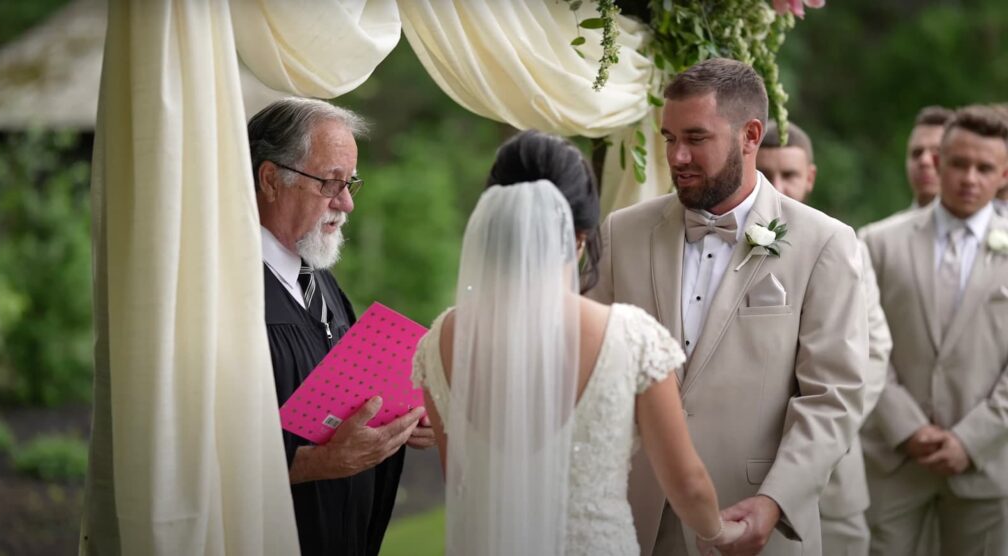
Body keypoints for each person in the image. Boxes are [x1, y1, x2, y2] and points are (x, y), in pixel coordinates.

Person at [412, 130, 746, 555]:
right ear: (580, 236)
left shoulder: (442, 338)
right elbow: (687, 483)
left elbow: (457, 477)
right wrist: (719, 532)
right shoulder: (629, 337)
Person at [588, 58, 869, 555]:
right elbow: (587, 365)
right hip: (636, 518)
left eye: (696, 138)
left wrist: (775, 501)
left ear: (750, 135)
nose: (676, 157)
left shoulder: (824, 243)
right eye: (669, 137)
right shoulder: (623, 232)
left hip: (755, 519)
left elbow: (833, 397)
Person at [249, 97, 434, 556]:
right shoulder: (226, 292)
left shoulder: (320, 282)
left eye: (349, 183)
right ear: (270, 180)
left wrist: (400, 421)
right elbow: (196, 450)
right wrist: (315, 463)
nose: (346, 202)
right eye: (330, 183)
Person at [859, 105, 1008, 555]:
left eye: (984, 168)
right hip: (894, 457)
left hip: (987, 462)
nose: (969, 178)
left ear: (1004, 174)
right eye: (959, 163)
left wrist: (971, 438)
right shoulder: (877, 242)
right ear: (937, 163)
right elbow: (860, 343)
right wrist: (905, 425)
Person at [758, 121, 891, 556]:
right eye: (767, 174)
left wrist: (828, 428)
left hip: (834, 478)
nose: (779, 187)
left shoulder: (845, 247)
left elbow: (873, 351)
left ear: (810, 177)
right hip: (741, 471)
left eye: (790, 175)